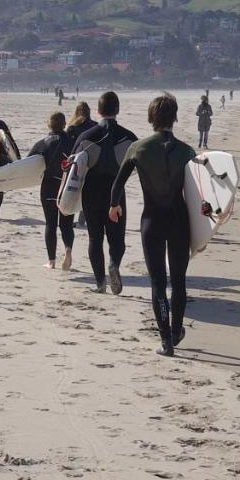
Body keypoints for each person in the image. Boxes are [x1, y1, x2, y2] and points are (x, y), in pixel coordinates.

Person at [110, 93, 197, 356]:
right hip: (180, 222)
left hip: (152, 222)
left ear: (151, 117)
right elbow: (199, 194)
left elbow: (117, 185)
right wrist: (205, 230)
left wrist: (114, 206)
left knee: (158, 283)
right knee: (179, 281)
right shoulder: (187, 151)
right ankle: (177, 330)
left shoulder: (137, 148)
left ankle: (166, 342)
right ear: (175, 116)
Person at [73, 91, 138, 294]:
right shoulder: (129, 137)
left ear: (99, 111)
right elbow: (140, 165)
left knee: (95, 239)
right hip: (116, 196)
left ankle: (100, 283)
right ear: (117, 110)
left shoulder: (86, 137)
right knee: (117, 239)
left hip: (91, 194)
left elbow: (71, 167)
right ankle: (114, 264)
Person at [28, 111, 76, 270]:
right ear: (64, 125)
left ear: (49, 124)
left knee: (51, 223)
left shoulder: (44, 142)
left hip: (49, 187)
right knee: (67, 223)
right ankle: (68, 249)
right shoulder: (73, 142)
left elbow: (28, 163)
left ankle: (51, 261)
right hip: (68, 187)